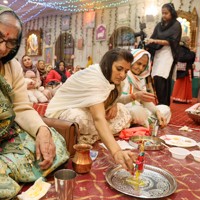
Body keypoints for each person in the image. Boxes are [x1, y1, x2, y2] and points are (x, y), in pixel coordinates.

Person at [0, 5, 69, 199]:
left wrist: (42, 130)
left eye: (10, 42)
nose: (3, 48)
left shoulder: (12, 66)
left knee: (54, 142)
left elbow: (21, 108)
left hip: (7, 134)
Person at [45, 48, 136, 171]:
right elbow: (98, 118)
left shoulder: (115, 79)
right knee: (79, 117)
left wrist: (113, 105)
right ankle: (100, 134)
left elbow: (107, 102)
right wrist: (116, 152)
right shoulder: (94, 77)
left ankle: (98, 134)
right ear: (108, 64)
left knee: (123, 110)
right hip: (62, 114)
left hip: (92, 111)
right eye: (119, 69)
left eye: (126, 71)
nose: (123, 75)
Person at [119, 49, 171, 128]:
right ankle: (147, 122)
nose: (140, 68)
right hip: (122, 110)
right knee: (137, 111)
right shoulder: (121, 75)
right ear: (131, 61)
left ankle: (145, 122)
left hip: (139, 110)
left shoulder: (139, 79)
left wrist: (157, 112)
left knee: (165, 109)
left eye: (144, 66)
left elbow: (144, 100)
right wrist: (135, 96)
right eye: (138, 63)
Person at [145, 3, 182, 106]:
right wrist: (148, 42)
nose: (164, 15)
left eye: (166, 13)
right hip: (158, 54)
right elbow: (153, 38)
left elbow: (172, 42)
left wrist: (155, 41)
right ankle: (160, 103)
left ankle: (164, 104)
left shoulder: (176, 25)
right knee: (156, 78)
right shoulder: (159, 25)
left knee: (163, 78)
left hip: (168, 54)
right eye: (162, 13)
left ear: (172, 13)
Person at [171, 36, 196, 103]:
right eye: (188, 41)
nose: (189, 42)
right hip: (183, 70)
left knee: (186, 84)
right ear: (184, 41)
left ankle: (184, 99)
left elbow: (189, 59)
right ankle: (178, 98)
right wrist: (192, 53)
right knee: (181, 84)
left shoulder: (184, 48)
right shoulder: (181, 48)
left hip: (186, 69)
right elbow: (182, 58)